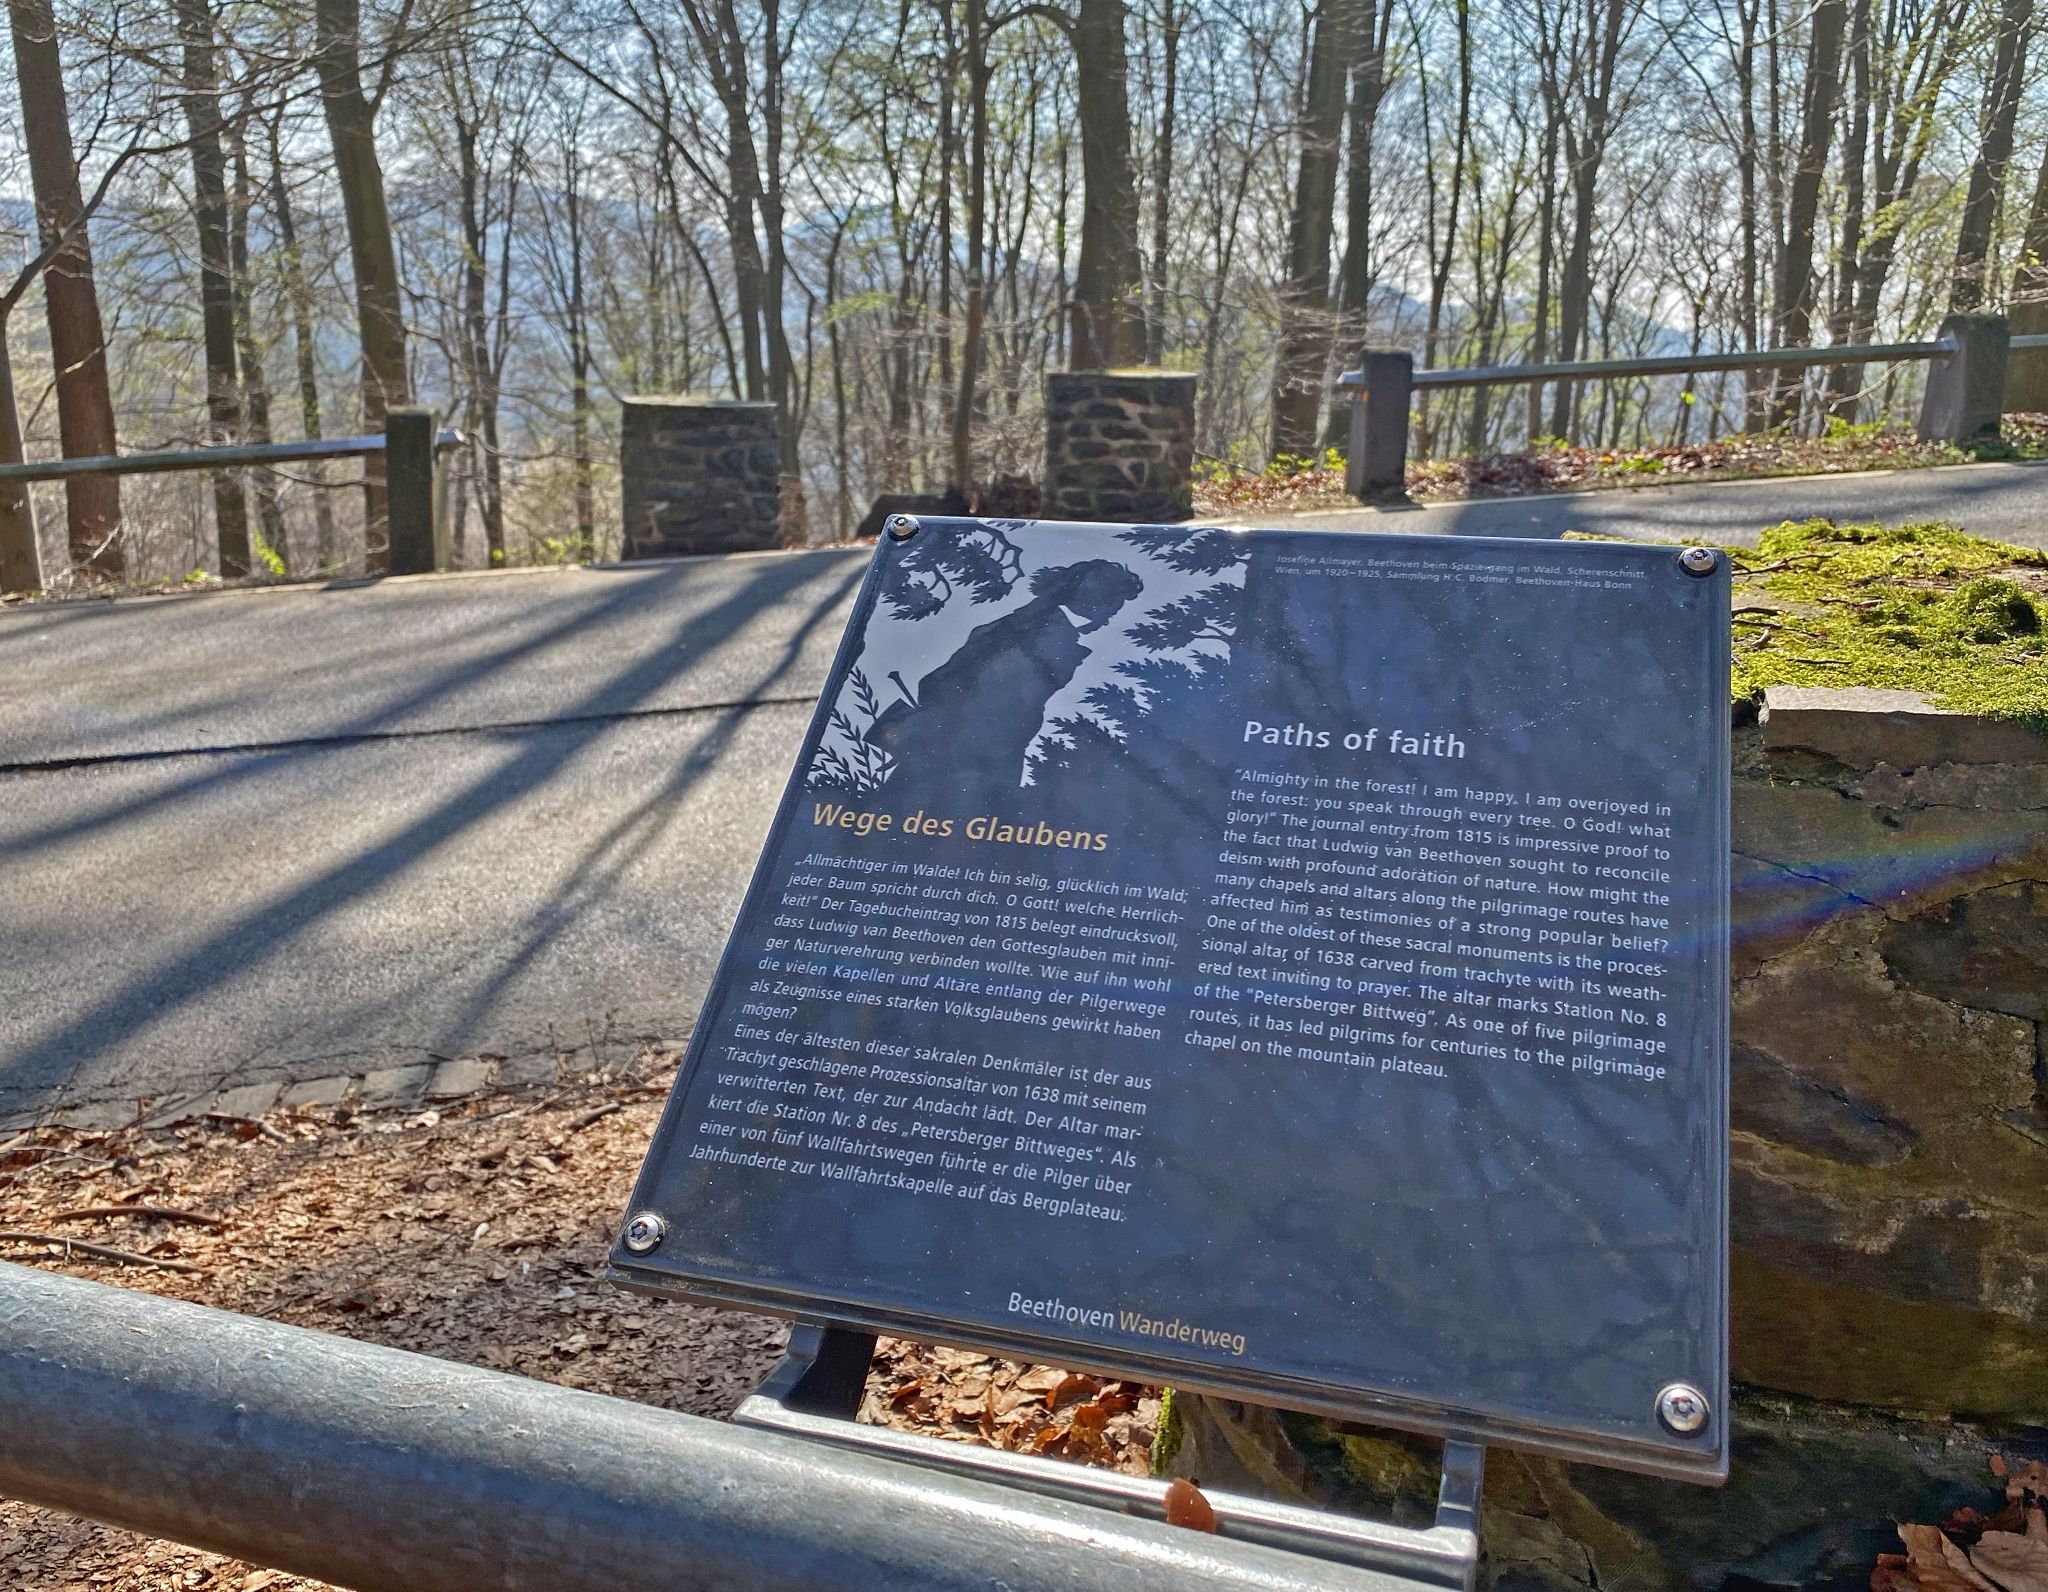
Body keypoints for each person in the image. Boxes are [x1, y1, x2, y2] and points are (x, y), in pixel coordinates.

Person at [865, 558, 1144, 802]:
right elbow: (998, 701)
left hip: (954, 749)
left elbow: (940, 680)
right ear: (1094, 598)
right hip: (969, 760)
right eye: (1114, 605)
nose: (1113, 615)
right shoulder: (1052, 638)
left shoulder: (1028, 621)